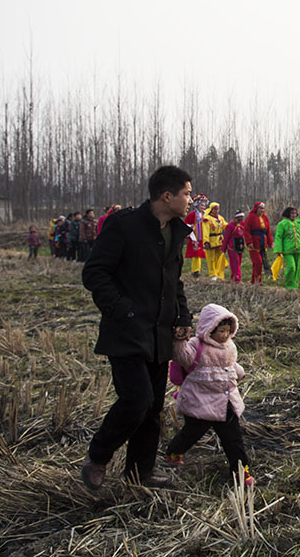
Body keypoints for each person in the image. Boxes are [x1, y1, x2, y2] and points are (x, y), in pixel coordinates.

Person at [80, 165, 194, 490]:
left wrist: (183, 318)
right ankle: (97, 457)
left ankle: (139, 473)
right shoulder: (123, 225)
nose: (190, 199)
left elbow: (175, 282)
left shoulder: (175, 231)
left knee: (153, 408)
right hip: (126, 333)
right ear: (167, 195)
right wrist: (124, 311)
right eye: (186, 193)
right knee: (137, 400)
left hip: (159, 335)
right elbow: (95, 273)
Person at [165, 303, 254, 487]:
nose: (225, 335)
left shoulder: (229, 346)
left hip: (225, 403)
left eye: (228, 330)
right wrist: (179, 339)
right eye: (221, 330)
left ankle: (240, 470)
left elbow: (230, 364)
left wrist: (239, 372)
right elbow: (181, 356)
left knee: (233, 439)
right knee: (191, 433)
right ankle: (174, 451)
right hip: (201, 404)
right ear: (208, 329)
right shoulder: (196, 346)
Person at [243, 202, 273, 284]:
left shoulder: (265, 217)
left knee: (257, 263)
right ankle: (258, 280)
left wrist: (270, 242)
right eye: (260, 208)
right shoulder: (250, 217)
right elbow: (246, 230)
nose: (262, 210)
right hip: (254, 244)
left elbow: (268, 231)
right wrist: (249, 242)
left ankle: (254, 280)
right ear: (256, 209)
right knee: (258, 262)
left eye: (263, 209)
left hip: (263, 242)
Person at [202, 201, 228, 281]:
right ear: (211, 209)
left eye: (217, 209)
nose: (216, 211)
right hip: (211, 240)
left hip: (220, 240)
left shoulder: (220, 218)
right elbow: (205, 230)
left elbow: (225, 226)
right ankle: (212, 274)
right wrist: (206, 241)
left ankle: (219, 273)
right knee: (211, 258)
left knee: (220, 257)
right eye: (214, 209)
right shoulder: (207, 219)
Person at [184, 195, 209, 278]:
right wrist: (190, 227)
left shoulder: (205, 215)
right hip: (194, 237)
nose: (203, 207)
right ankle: (195, 271)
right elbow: (186, 224)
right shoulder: (192, 214)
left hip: (202, 237)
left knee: (201, 253)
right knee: (196, 254)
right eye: (202, 205)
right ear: (196, 205)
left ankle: (198, 270)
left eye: (204, 205)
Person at [222, 211, 247, 284]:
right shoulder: (230, 226)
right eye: (240, 218)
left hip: (240, 245)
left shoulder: (243, 224)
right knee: (235, 262)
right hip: (232, 246)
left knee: (238, 262)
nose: (242, 219)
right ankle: (237, 279)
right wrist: (223, 248)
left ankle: (233, 276)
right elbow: (226, 237)